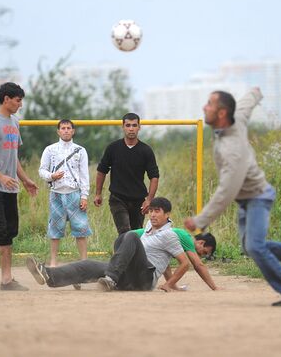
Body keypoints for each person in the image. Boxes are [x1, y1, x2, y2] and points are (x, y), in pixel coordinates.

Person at [184, 87, 281, 306]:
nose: (204, 107)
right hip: (247, 199)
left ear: (221, 113)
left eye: (209, 103)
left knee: (255, 247)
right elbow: (245, 105)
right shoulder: (235, 120)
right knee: (250, 247)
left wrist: (200, 221)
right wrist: (255, 93)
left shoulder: (231, 150)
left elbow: (226, 191)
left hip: (258, 197)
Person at [26, 197, 189, 292]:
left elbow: (185, 263)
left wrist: (169, 284)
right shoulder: (148, 228)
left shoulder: (170, 234)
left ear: (167, 214)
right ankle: (50, 275)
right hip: (128, 275)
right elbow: (164, 263)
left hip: (144, 279)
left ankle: (111, 278)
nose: (152, 214)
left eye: (157, 211)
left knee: (131, 237)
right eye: (151, 210)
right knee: (87, 264)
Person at [0, 82, 38, 291]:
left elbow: (14, 157)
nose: (20, 104)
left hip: (10, 186)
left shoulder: (14, 123)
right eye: (18, 100)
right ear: (6, 99)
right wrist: (0, 176)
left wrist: (25, 179)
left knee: (10, 231)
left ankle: (7, 279)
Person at [94, 112, 159, 234]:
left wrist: (149, 200)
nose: (131, 129)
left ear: (139, 127)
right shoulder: (113, 148)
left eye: (134, 125)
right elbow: (101, 171)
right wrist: (98, 193)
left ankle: (132, 253)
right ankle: (121, 253)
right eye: (128, 125)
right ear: (123, 127)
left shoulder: (146, 150)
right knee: (124, 231)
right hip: (118, 198)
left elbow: (154, 177)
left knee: (136, 234)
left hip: (138, 200)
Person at [38, 119, 92, 266]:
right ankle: (54, 261)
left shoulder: (80, 150)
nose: (66, 130)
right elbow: (42, 170)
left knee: (81, 228)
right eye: (63, 128)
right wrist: (51, 176)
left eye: (69, 128)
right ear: (58, 131)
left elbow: (84, 175)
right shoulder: (50, 150)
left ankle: (84, 262)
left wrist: (84, 196)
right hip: (56, 193)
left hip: (75, 192)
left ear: (73, 131)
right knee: (55, 228)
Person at [133, 229, 219, 291]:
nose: (202, 255)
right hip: (133, 240)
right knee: (185, 263)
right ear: (201, 243)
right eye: (204, 252)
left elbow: (165, 266)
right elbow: (198, 265)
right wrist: (215, 287)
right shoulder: (187, 238)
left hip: (130, 239)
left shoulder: (178, 240)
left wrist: (172, 286)